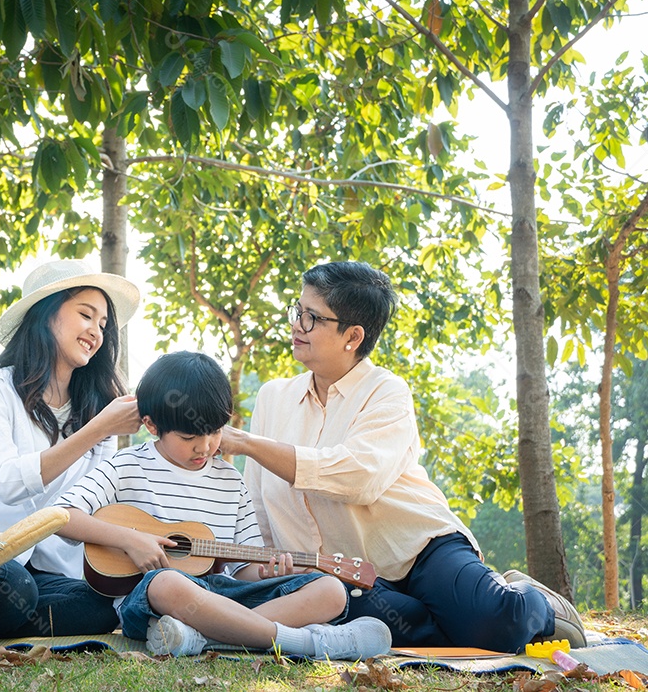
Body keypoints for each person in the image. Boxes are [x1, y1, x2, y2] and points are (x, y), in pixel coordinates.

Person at [218, 260, 586, 652]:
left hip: (419, 547)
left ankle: (534, 602)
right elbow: (259, 501)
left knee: (494, 626)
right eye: (297, 311)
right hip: (344, 576)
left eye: (312, 318)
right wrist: (262, 565)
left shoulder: (386, 392)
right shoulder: (273, 397)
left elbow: (356, 478)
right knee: (388, 631)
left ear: (352, 336)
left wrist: (246, 443)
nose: (296, 325)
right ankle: (466, 611)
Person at [55, 351, 392, 658]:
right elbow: (62, 517)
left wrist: (268, 571)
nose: (205, 447)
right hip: (155, 603)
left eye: (214, 432)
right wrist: (131, 539)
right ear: (151, 425)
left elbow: (242, 571)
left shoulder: (230, 480)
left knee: (331, 589)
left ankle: (204, 639)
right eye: (189, 438)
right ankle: (306, 643)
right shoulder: (126, 465)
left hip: (222, 598)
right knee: (167, 582)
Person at [0, 258, 143, 637]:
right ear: (47, 316)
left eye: (103, 324)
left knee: (100, 607)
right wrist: (96, 430)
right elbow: (10, 483)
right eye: (86, 315)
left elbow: (87, 508)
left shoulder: (96, 410)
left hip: (48, 569)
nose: (96, 331)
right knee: (12, 586)